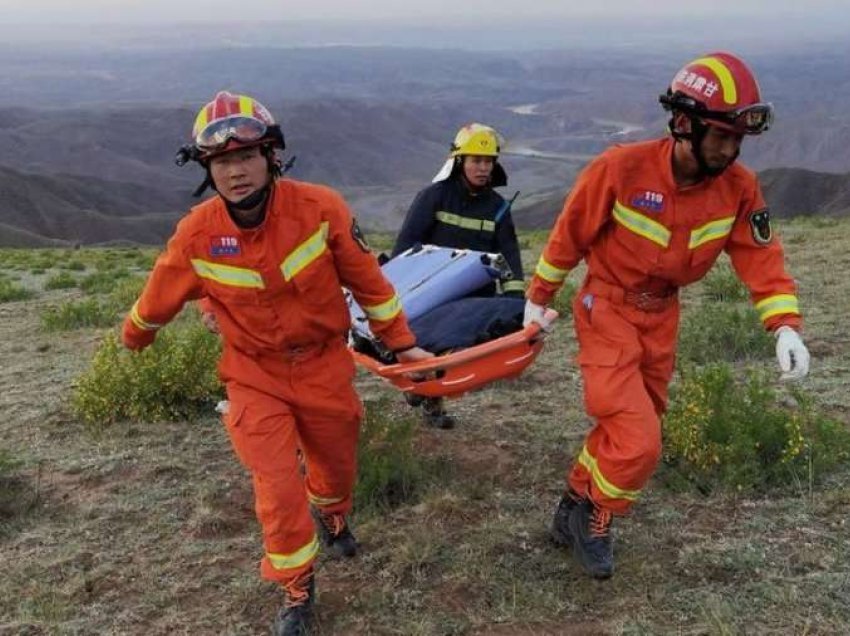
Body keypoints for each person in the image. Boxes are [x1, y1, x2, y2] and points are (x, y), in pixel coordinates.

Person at [121, 91, 431, 635]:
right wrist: (135, 338)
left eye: (245, 157)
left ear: (271, 158)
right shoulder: (197, 233)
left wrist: (403, 346)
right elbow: (158, 295)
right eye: (221, 162)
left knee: (335, 467)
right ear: (207, 169)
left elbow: (370, 285)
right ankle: (295, 587)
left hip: (324, 365)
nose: (235, 172)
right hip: (253, 375)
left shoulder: (320, 209)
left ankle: (333, 515)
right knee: (276, 484)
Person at [523, 52, 811, 579]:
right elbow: (570, 234)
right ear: (683, 124)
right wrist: (539, 298)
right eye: (720, 136)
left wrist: (784, 325)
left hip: (663, 318)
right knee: (638, 440)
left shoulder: (739, 187)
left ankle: (571, 506)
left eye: (737, 139)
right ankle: (596, 517)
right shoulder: (620, 169)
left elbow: (760, 257)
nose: (730, 149)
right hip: (606, 308)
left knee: (630, 428)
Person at [391, 123, 525, 428]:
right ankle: (426, 396)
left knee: (454, 351)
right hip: (432, 292)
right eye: (476, 160)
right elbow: (405, 247)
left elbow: (510, 254)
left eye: (488, 161)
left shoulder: (498, 208)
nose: (482, 168)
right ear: (459, 161)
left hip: (475, 296)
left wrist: (516, 300)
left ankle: (429, 396)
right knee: (429, 346)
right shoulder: (434, 197)